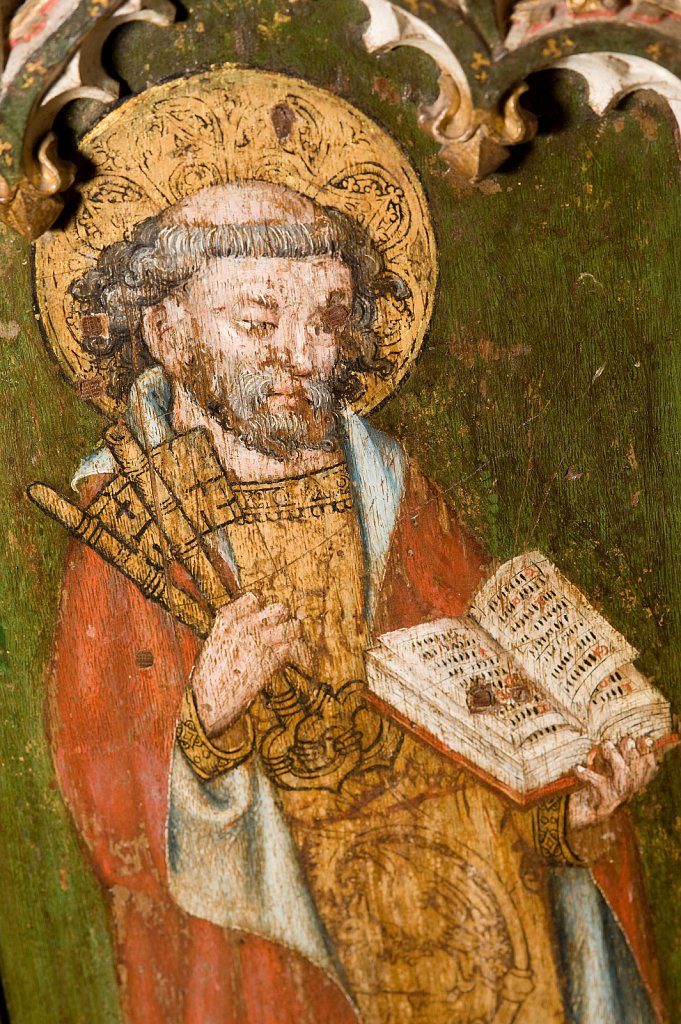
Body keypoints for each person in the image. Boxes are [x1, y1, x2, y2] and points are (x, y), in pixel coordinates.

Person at [48, 180, 666, 1024]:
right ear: (167, 332)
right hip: (291, 945)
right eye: (258, 323)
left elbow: (486, 713)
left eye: (326, 322)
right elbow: (106, 794)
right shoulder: (125, 519)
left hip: (482, 926)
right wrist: (209, 719)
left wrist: (568, 808)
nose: (304, 357)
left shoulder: (391, 488)